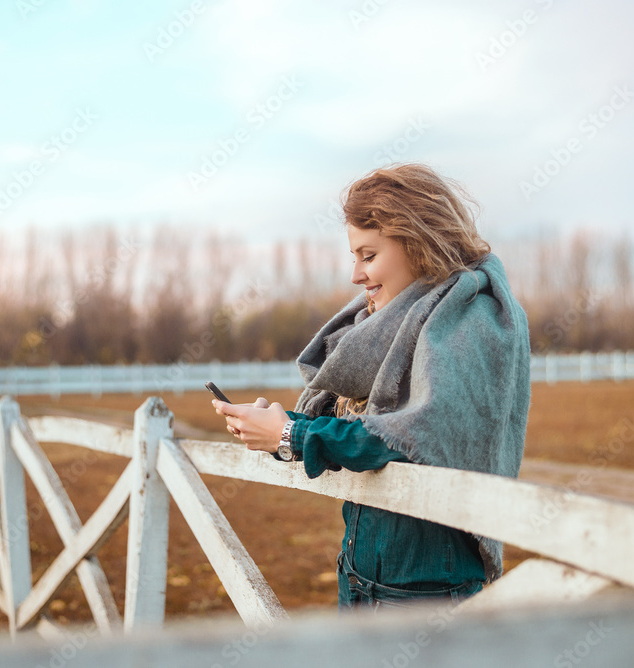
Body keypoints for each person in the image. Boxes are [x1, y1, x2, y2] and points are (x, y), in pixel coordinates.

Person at [213, 163, 530, 611]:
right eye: (355, 257)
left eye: (368, 255)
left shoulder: (469, 320)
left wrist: (290, 435)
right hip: (360, 577)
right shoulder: (410, 321)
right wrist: (280, 426)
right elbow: (370, 429)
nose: (356, 276)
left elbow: (408, 435)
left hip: (424, 593)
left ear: (417, 244)